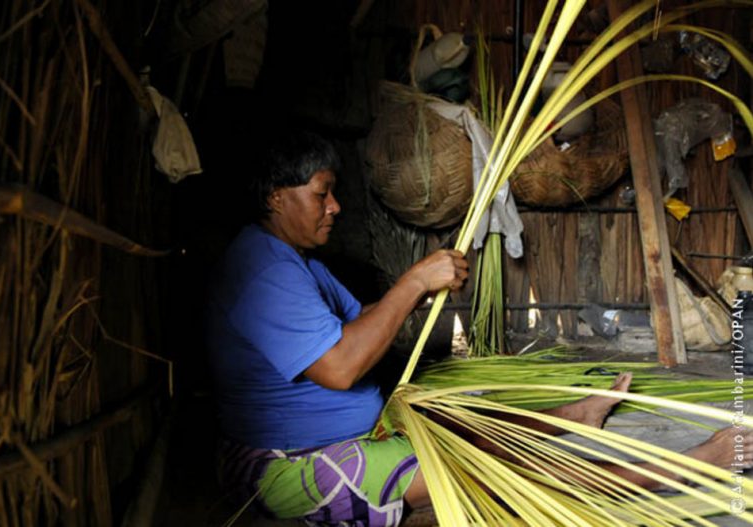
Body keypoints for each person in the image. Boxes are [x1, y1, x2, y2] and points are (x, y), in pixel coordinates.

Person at [206, 130, 753, 526]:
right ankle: (697, 462)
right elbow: (341, 366)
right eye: (321, 193)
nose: (335, 206)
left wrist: (418, 293)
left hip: (349, 434)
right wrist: (414, 282)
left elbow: (359, 323)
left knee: (464, 426)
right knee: (510, 475)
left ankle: (571, 416)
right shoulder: (263, 270)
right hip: (298, 466)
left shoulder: (292, 260)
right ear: (277, 197)